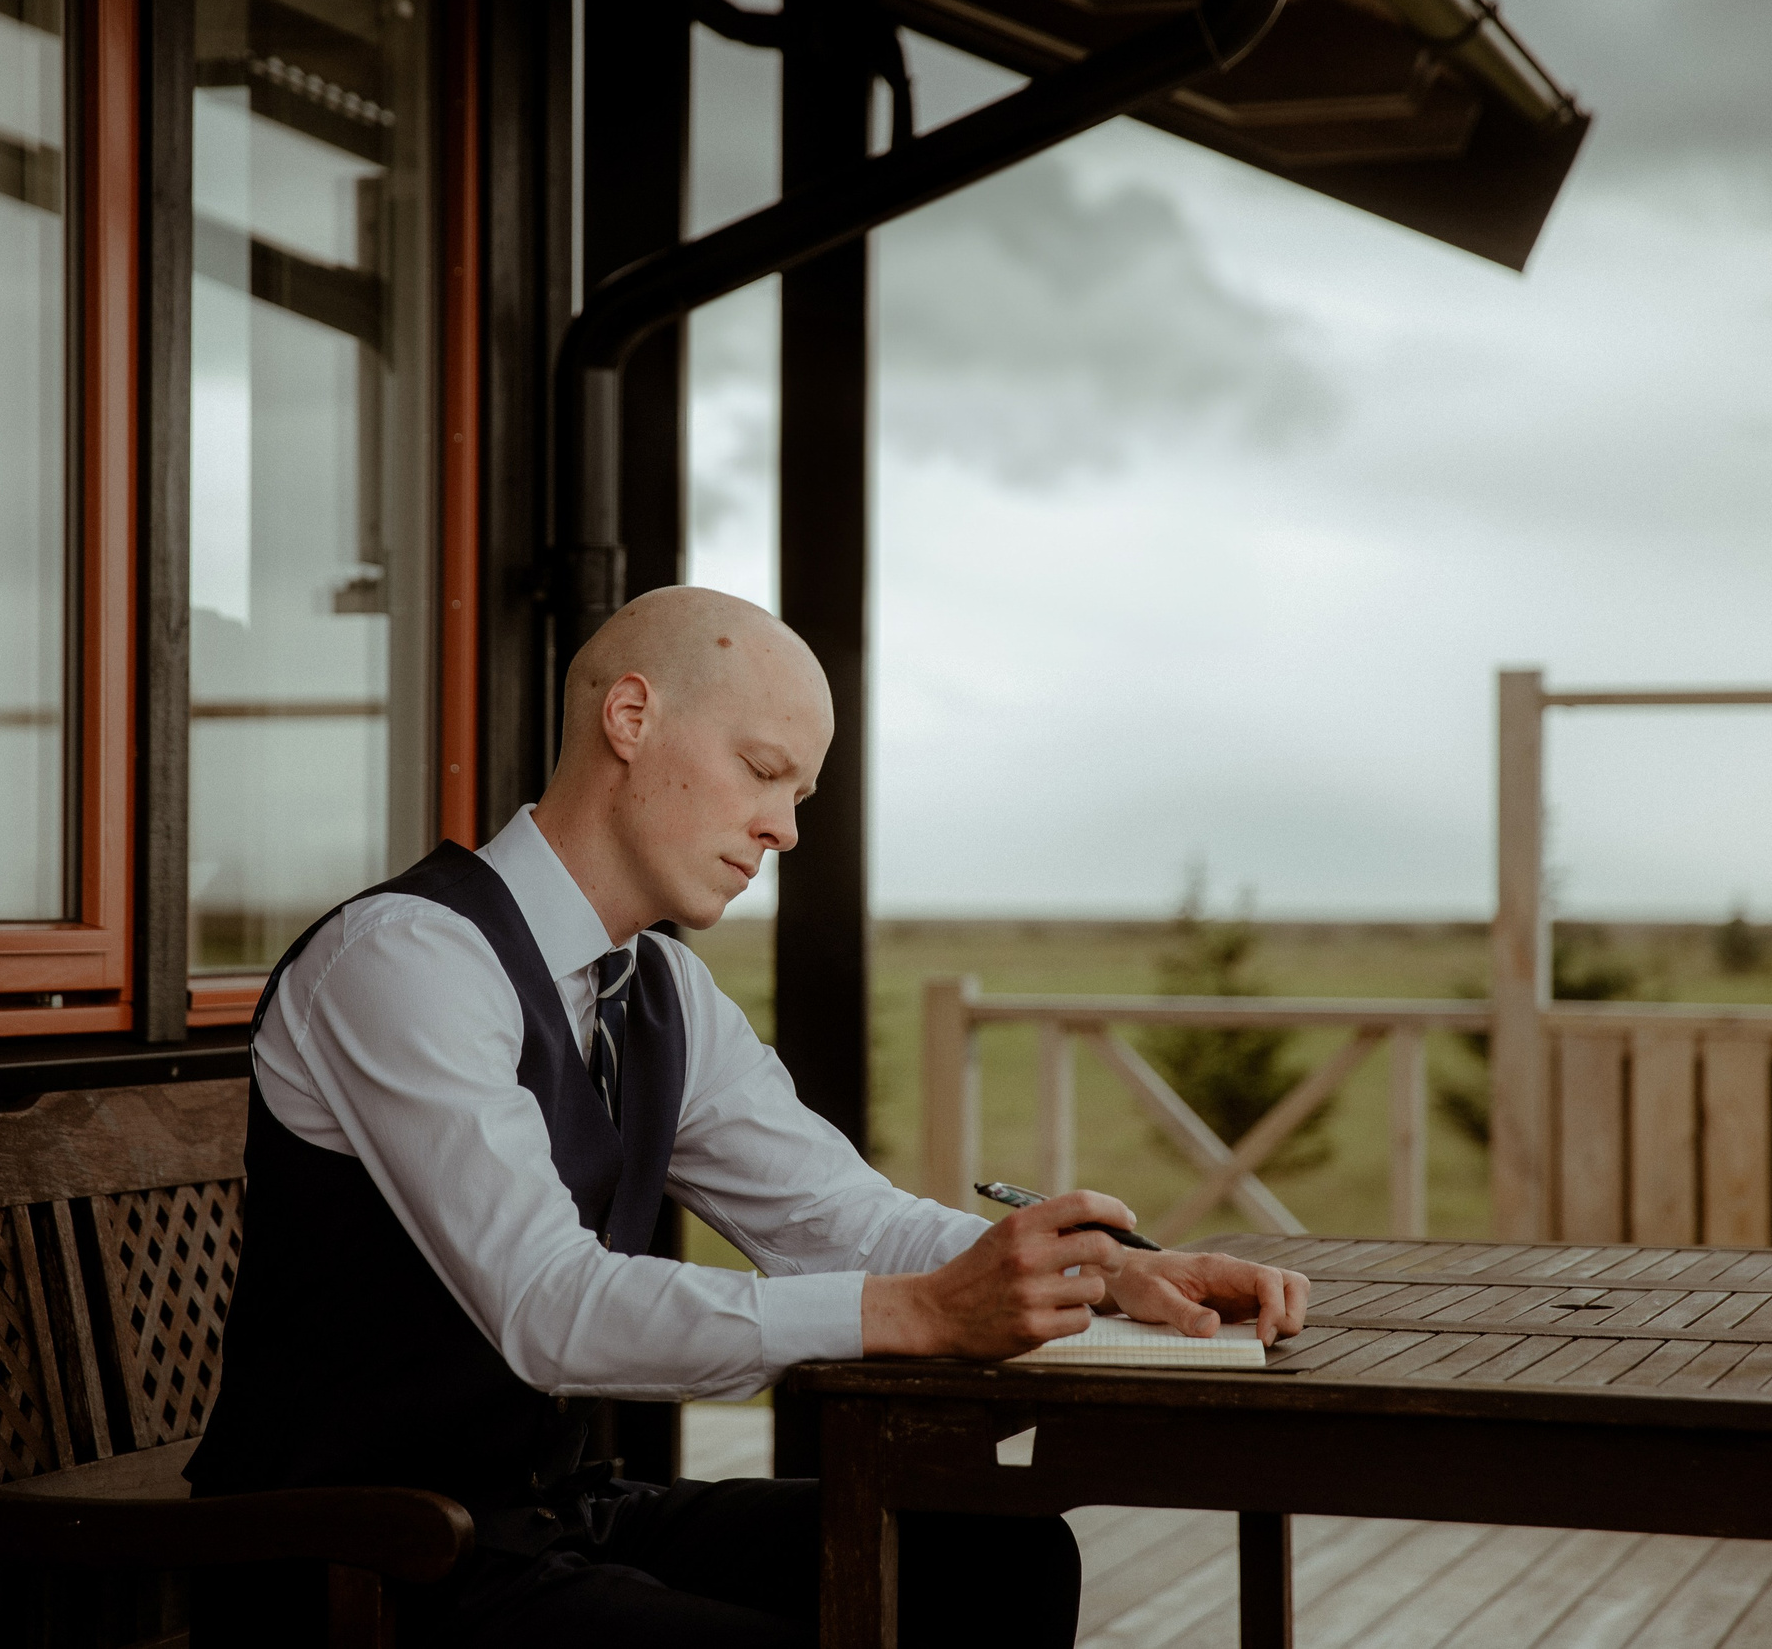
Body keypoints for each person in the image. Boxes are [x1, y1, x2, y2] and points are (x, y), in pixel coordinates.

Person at [186, 586, 1311, 1647]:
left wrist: (1096, 1274)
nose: (784, 831)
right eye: (762, 772)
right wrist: (915, 1314)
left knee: (997, 1559)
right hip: (356, 1554)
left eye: (799, 797)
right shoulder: (408, 958)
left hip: (553, 1518)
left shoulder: (658, 991)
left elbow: (839, 1217)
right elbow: (550, 1309)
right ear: (630, 716)